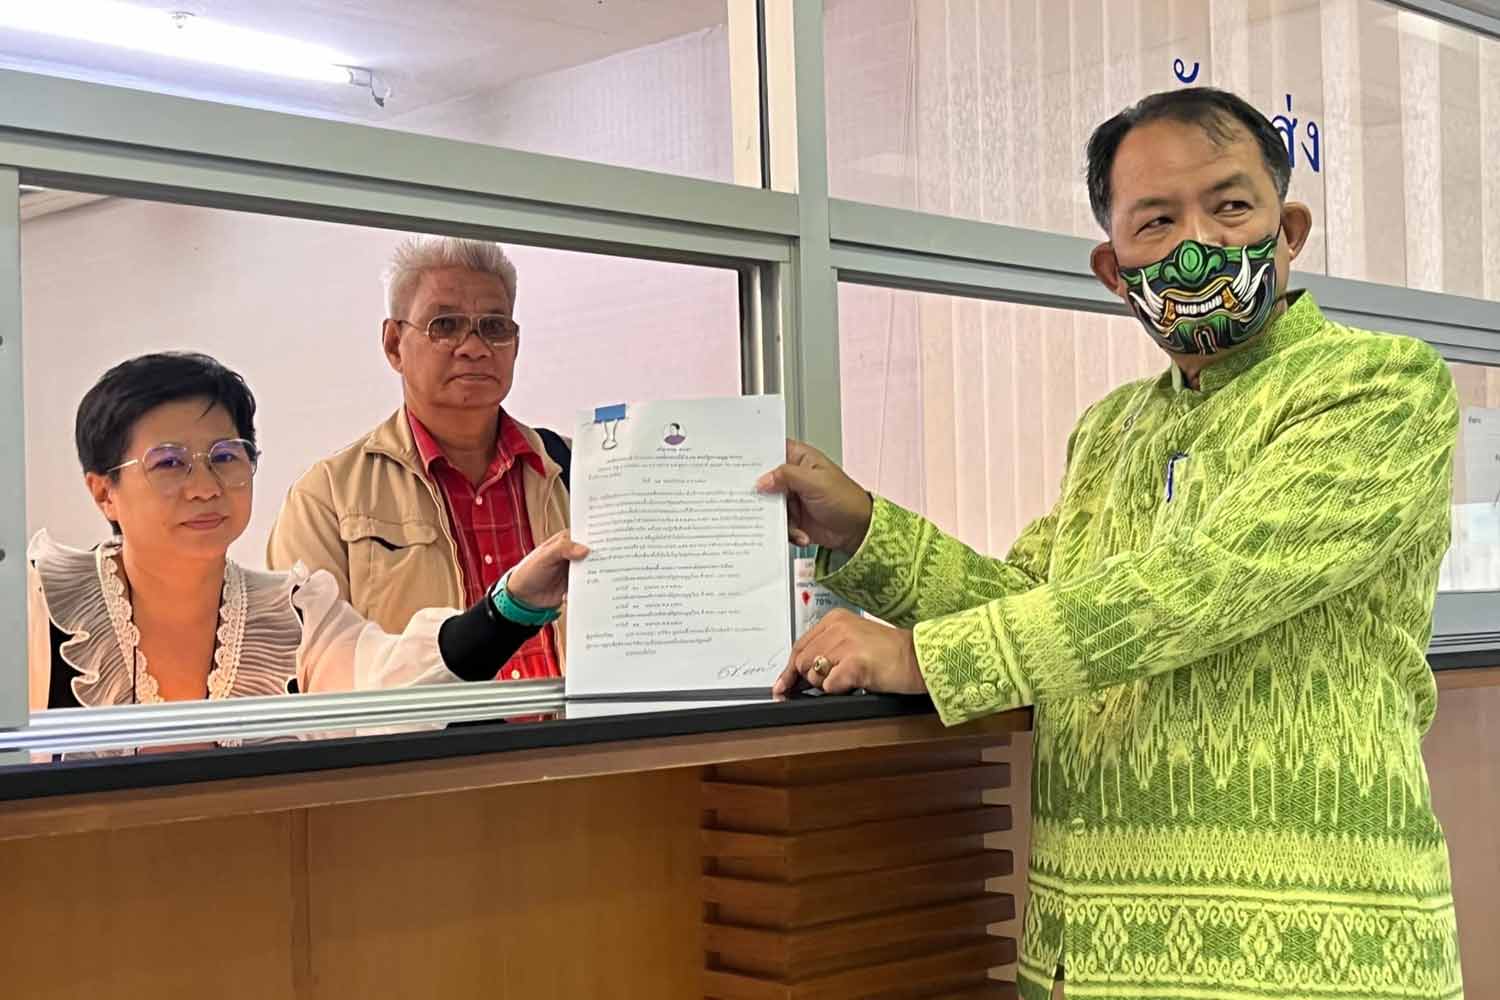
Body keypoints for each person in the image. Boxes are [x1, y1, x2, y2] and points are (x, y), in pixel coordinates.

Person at [761, 88, 1463, 1000]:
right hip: (1092, 949)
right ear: (1113, 268)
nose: (1198, 244)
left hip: (1314, 947)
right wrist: (858, 526)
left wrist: (927, 659)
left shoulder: (1381, 387)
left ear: (1289, 230)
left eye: (1232, 206)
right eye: (1158, 222)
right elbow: (1029, 601)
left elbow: (1209, 585)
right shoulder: (1112, 430)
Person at [27, 352, 585, 715]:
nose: (205, 486)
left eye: (226, 456)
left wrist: (512, 606)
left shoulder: (292, 611)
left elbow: (388, 690)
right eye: (169, 463)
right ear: (103, 492)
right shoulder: (37, 610)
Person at [267, 236, 571, 682]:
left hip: (582, 749)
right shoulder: (327, 496)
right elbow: (309, 676)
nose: (473, 346)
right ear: (394, 344)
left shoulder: (577, 469)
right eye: (445, 325)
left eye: (494, 326)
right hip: (430, 752)